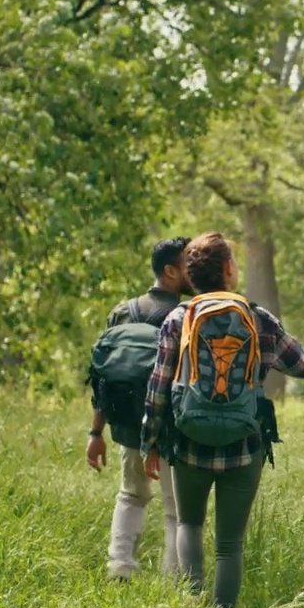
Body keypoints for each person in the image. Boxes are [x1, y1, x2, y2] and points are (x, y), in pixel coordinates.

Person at [141, 231, 304, 608]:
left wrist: (150, 443)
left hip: (188, 442)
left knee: (189, 526)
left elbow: (157, 386)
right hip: (244, 447)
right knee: (230, 545)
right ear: (228, 269)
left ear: (191, 278)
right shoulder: (258, 318)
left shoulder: (179, 318)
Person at [87, 236, 194, 580]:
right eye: (189, 264)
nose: (196, 271)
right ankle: (174, 581)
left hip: (127, 424)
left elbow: (102, 378)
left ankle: (119, 568)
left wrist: (96, 432)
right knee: (175, 509)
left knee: (131, 494)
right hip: (169, 425)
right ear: (170, 271)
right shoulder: (186, 316)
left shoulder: (122, 311)